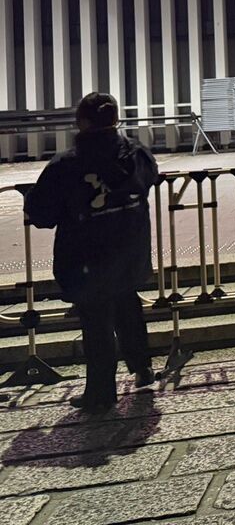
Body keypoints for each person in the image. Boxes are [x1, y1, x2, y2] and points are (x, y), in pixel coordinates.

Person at [24, 93, 157, 413]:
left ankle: (100, 391)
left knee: (96, 321)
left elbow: (42, 212)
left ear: (81, 122)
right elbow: (150, 180)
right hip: (129, 249)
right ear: (115, 119)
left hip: (87, 257)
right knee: (128, 306)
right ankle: (142, 368)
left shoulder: (67, 164)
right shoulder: (137, 153)